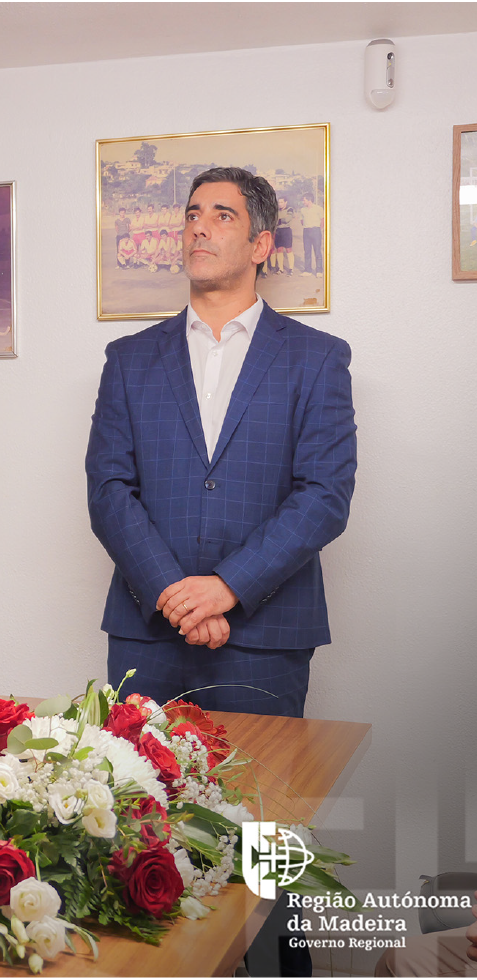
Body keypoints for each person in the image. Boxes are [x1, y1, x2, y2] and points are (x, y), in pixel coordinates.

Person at [85, 166, 356, 718]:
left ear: (261, 245)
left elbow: (324, 496)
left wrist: (227, 587)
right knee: (133, 777)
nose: (199, 228)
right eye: (192, 215)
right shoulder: (128, 359)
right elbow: (108, 489)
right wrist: (176, 595)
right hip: (148, 632)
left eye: (221, 215)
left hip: (265, 636)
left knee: (260, 778)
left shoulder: (318, 358)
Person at [299, 191, 324, 276]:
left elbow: (322, 220)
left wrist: (318, 229)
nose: (303, 202)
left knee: (317, 251)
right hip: (306, 231)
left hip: (316, 231)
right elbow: (302, 220)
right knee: (307, 251)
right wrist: (307, 226)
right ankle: (308, 270)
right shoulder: (302, 210)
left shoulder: (318, 208)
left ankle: (319, 271)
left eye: (304, 200)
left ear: (309, 200)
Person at [271, 196, 295, 276]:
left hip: (286, 231)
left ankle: (291, 269)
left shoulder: (290, 209)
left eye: (281, 202)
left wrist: (278, 220)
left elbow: (287, 219)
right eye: (279, 202)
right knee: (279, 249)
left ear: (285, 202)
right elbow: (273, 220)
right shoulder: (277, 211)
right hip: (278, 231)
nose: (280, 204)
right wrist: (280, 220)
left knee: (288, 249)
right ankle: (280, 269)